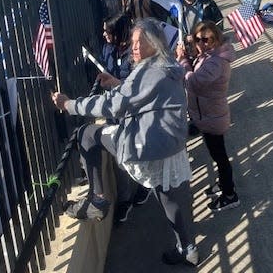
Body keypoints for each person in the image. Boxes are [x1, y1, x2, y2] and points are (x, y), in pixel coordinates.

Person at [52, 18, 198, 267]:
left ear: (154, 42)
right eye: (133, 42)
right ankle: (188, 249)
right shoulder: (167, 64)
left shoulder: (148, 71)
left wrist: (68, 104)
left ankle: (97, 199)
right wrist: (120, 84)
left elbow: (112, 105)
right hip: (169, 144)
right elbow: (145, 96)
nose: (136, 47)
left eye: (142, 41)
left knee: (87, 134)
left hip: (148, 143)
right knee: (167, 197)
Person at [176, 21, 240, 212]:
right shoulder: (209, 55)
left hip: (212, 117)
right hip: (207, 115)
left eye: (206, 40)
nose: (201, 44)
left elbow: (193, 82)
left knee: (220, 156)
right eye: (198, 39)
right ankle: (223, 183)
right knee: (216, 154)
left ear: (216, 38)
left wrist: (182, 61)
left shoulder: (216, 62)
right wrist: (188, 53)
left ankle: (230, 195)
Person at [101, 13, 152, 223]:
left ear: (120, 32)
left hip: (133, 113)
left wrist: (115, 83)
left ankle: (144, 184)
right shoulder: (107, 49)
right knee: (119, 157)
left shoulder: (136, 53)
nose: (104, 35)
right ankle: (125, 200)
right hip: (114, 112)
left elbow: (138, 87)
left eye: (108, 31)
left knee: (138, 151)